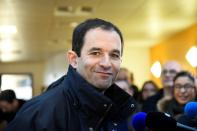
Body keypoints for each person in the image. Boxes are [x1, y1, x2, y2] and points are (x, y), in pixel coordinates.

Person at [5, 18, 136, 131]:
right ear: (73, 59)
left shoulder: (121, 108)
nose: (106, 63)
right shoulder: (40, 113)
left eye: (114, 55)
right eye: (96, 53)